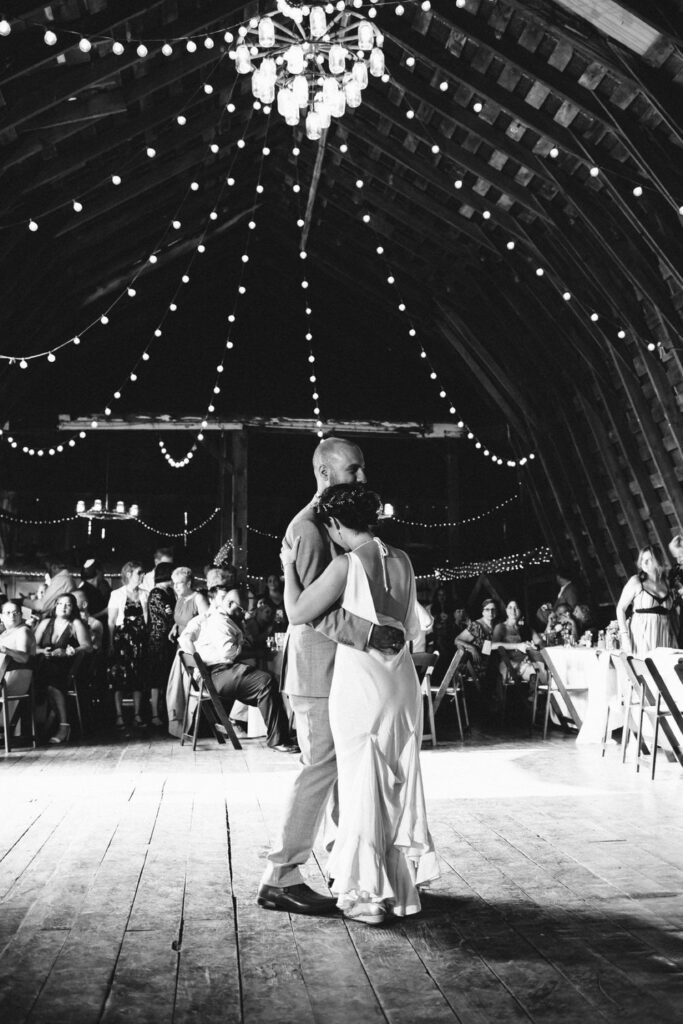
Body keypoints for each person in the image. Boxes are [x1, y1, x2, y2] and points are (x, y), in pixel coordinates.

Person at [257, 436, 404, 918]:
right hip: (319, 670)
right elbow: (312, 613)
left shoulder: (330, 524)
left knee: (345, 773)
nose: (363, 478)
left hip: (340, 671)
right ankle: (281, 875)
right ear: (325, 473)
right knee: (320, 768)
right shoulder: (312, 529)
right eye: (354, 470)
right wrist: (371, 634)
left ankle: (348, 870)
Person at [280, 483, 438, 924]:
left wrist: (289, 568)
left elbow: (297, 612)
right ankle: (397, 889)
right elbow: (410, 624)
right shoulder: (403, 559)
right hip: (401, 681)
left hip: (362, 682)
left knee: (359, 784)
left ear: (332, 524)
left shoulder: (347, 565)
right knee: (389, 782)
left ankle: (368, 896)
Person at [178, 571, 295, 751]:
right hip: (217, 675)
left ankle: (282, 734)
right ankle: (279, 739)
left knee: (267, 681)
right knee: (266, 682)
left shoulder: (223, 618)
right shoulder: (220, 621)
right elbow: (229, 653)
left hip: (213, 675)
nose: (243, 613)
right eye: (240, 609)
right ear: (230, 603)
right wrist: (255, 652)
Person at [34, 593, 92, 743]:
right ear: (55, 606)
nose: (63, 607)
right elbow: (32, 646)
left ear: (73, 608)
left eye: (68, 605)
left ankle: (63, 725)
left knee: (51, 681)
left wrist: (70, 651)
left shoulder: (76, 624)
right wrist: (42, 651)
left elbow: (88, 646)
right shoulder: (45, 623)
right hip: (45, 664)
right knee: (45, 675)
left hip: (67, 666)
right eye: (60, 604)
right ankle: (51, 723)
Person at [107, 561, 149, 730]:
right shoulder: (117, 594)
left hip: (140, 639)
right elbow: (111, 621)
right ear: (129, 574)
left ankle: (137, 715)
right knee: (119, 678)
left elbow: (148, 620)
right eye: (139, 572)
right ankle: (119, 716)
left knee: (138, 677)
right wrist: (110, 643)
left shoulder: (146, 594)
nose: (142, 576)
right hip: (122, 640)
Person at [616, 545, 677, 657]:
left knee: (663, 670)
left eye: (649, 559)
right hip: (642, 634)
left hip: (664, 633)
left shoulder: (667, 583)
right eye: (643, 560)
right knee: (645, 670)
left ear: (658, 560)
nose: (645, 563)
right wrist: (624, 636)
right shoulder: (636, 581)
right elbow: (620, 609)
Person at [146, 563, 176, 727]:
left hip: (166, 639)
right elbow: (164, 617)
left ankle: (163, 712)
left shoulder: (168, 592)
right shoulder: (157, 593)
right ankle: (155, 714)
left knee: (164, 676)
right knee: (157, 677)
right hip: (158, 640)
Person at [170, 566, 209, 639]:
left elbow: (207, 624)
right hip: (181, 641)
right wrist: (175, 626)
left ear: (188, 583)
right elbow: (182, 619)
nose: (175, 587)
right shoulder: (180, 597)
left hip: (195, 644)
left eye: (178, 583)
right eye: (174, 583)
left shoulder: (198, 598)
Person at [668, 535, 683, 645]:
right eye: (676, 557)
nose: (679, 559)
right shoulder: (675, 570)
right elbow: (670, 590)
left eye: (682, 555)